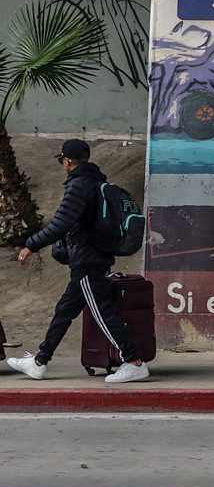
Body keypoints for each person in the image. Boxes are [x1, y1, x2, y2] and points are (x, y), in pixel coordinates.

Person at [6, 139, 149, 384]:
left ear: (67, 161)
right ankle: (40, 362)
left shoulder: (79, 185)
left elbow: (62, 223)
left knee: (103, 312)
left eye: (62, 160)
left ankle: (134, 362)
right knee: (64, 310)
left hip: (87, 260)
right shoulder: (94, 182)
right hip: (90, 258)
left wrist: (31, 245)